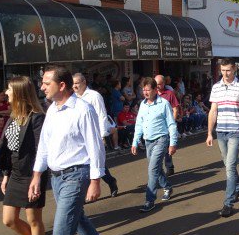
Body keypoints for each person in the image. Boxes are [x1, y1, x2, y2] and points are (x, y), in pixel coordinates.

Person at [30, 65, 114, 235]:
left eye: (46, 82)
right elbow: (44, 145)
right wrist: (37, 174)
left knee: (61, 233)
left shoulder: (83, 109)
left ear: (62, 85)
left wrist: (96, 179)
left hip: (77, 175)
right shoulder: (52, 110)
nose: (42, 86)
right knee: (76, 220)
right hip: (56, 177)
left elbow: (95, 145)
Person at [0, 76, 51, 235]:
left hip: (32, 174)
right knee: (9, 220)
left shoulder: (37, 117)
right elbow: (8, 150)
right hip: (15, 175)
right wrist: (5, 175)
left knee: (34, 220)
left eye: (10, 90)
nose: (6, 93)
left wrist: (36, 179)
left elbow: (41, 151)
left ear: (19, 93)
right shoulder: (13, 117)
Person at [205, 58, 239, 218]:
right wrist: (209, 132)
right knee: (227, 164)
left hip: (236, 132)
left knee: (230, 167)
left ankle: (228, 203)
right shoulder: (216, 87)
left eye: (228, 70)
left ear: (234, 70)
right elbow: (213, 111)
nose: (225, 73)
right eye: (223, 70)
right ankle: (237, 188)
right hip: (221, 132)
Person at [131, 77, 179, 213]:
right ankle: (168, 187)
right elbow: (139, 124)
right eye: (143, 90)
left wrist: (173, 143)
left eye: (148, 89)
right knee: (156, 169)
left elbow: (171, 124)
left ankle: (149, 200)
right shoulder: (143, 104)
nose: (145, 92)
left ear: (155, 90)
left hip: (161, 139)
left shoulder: (163, 104)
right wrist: (135, 141)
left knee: (152, 169)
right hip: (148, 141)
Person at [71, 73, 120, 197]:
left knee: (97, 163)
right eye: (73, 83)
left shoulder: (94, 96)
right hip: (80, 137)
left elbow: (101, 115)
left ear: (84, 82)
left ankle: (110, 181)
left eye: (77, 83)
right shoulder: (72, 97)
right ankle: (85, 193)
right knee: (84, 164)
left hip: (94, 135)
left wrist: (102, 135)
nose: (74, 86)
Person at [154, 74, 180, 176]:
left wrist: (171, 123)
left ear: (164, 83)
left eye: (159, 84)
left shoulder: (169, 94)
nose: (157, 86)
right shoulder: (153, 94)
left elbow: (175, 109)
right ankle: (157, 168)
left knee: (167, 146)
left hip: (167, 124)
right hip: (157, 125)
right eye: (156, 84)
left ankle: (169, 166)